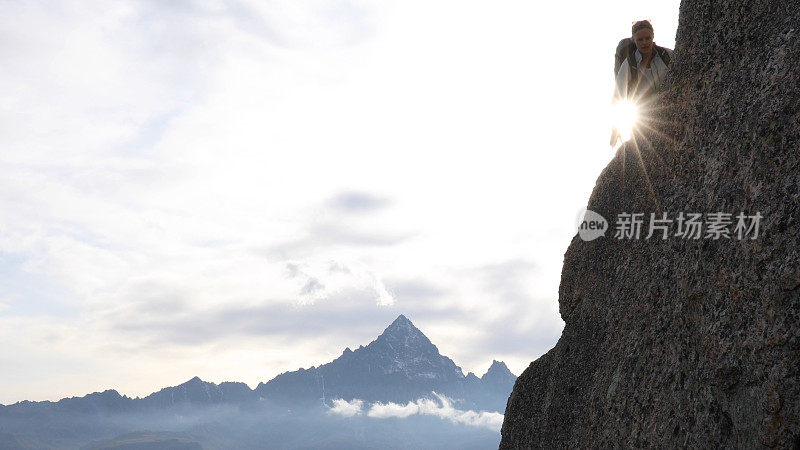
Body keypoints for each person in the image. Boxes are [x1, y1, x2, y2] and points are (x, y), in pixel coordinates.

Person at [609, 20, 673, 146]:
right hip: (645, 115)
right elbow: (618, 97)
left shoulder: (667, 55)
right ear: (634, 40)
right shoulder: (629, 65)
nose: (644, 43)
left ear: (653, 37)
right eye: (640, 39)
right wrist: (615, 128)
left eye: (647, 38)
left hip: (669, 106)